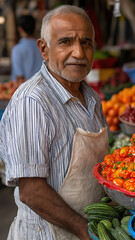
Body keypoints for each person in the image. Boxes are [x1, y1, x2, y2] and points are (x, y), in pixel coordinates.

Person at [0, 5, 109, 240]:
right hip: (48, 234)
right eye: (66, 42)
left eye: (86, 43)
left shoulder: (90, 97)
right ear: (44, 49)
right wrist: (87, 232)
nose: (79, 53)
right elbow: (32, 192)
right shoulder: (33, 102)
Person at [11, 14, 43, 81]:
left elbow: (19, 78)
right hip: (43, 87)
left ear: (20, 29)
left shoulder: (17, 49)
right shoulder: (42, 46)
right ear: (34, 27)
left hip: (25, 88)